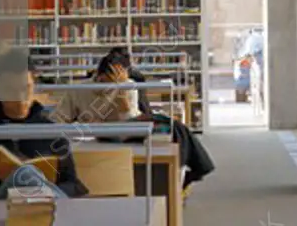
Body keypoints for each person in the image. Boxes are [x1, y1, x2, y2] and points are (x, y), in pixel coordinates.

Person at [57, 48, 215, 194]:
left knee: (174, 129)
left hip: (130, 133)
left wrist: (122, 94)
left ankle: (181, 176)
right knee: (174, 129)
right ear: (99, 73)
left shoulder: (128, 86)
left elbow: (129, 120)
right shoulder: (78, 90)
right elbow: (58, 120)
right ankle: (189, 173)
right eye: (106, 77)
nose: (107, 83)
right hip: (110, 138)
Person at [0, 48, 88, 200]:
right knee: (25, 175)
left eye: (26, 88)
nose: (20, 98)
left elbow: (73, 184)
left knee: (28, 175)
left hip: (42, 209)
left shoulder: (52, 131)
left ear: (34, 85)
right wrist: (14, 187)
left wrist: (42, 190)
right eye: (11, 90)